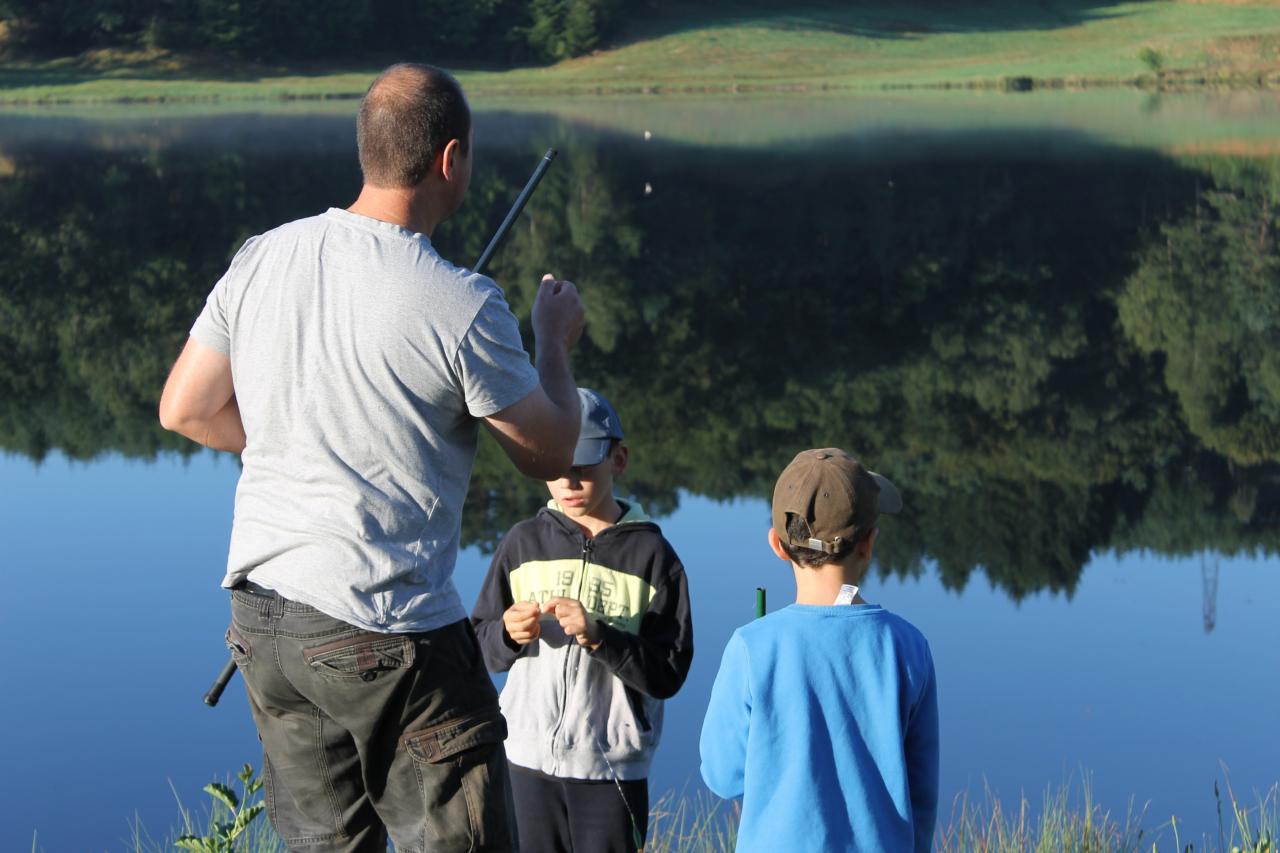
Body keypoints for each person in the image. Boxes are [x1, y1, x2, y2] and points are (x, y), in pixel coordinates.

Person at [157, 63, 586, 853]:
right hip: (388, 628)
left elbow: (185, 407)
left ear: (370, 148)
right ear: (450, 159)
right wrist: (552, 342)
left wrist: (298, 441)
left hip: (264, 618)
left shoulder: (263, 256)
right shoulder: (462, 301)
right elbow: (552, 451)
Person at [470, 388, 694, 853]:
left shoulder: (653, 556)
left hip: (610, 769)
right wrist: (507, 634)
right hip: (524, 760)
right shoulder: (522, 543)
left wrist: (600, 637)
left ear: (618, 460)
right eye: (556, 468)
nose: (569, 483)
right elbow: (479, 646)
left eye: (584, 468)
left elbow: (668, 672)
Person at [699, 448, 939, 853]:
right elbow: (922, 794)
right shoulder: (908, 646)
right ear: (868, 544)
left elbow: (723, 776)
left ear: (777, 545)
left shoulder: (752, 646)